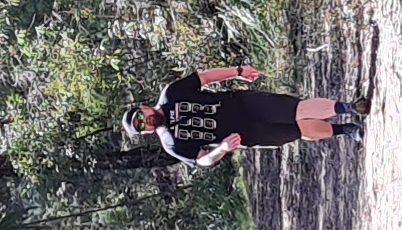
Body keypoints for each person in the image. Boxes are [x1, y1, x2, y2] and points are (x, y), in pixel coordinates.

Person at [124, 64, 365, 167]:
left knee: (297, 110)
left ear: (143, 107)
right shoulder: (170, 143)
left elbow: (204, 78)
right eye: (141, 125)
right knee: (298, 131)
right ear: (145, 132)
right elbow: (201, 160)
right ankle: (346, 130)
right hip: (244, 135)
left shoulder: (171, 94)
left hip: (244, 104)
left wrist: (238, 72)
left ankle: (349, 108)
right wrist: (222, 149)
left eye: (141, 116)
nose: (146, 121)